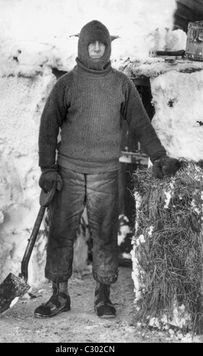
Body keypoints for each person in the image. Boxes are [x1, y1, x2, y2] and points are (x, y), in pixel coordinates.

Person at [35, 20, 180, 319]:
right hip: (68, 172)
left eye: (101, 42)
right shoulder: (67, 85)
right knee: (62, 233)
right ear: (83, 46)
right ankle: (59, 295)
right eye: (92, 43)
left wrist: (158, 155)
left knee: (104, 233)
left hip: (104, 172)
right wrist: (48, 168)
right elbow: (48, 127)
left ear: (108, 45)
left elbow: (140, 122)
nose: (97, 47)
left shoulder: (121, 84)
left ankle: (103, 296)